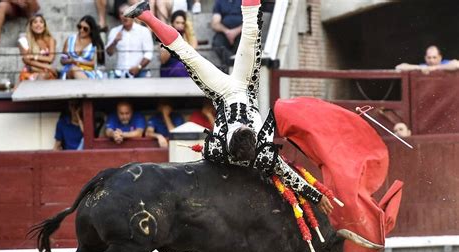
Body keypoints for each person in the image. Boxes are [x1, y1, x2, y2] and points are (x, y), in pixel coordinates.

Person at [124, 0, 333, 214]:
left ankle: (147, 15)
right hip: (243, 86)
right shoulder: (232, 151)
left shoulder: (246, 152)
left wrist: (316, 196)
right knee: (227, 39)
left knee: (192, 52)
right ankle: (146, 15)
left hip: (223, 91)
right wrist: (316, 196)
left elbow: (288, 174)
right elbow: (288, 175)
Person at [106, 3, 154, 78]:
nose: (125, 16)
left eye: (128, 13)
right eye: (122, 13)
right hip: (121, 71)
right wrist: (115, 41)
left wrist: (138, 67)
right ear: (119, 16)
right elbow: (109, 53)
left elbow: (148, 54)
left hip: (140, 70)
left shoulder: (144, 31)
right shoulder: (114, 31)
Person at [60, 15, 105, 80]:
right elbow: (62, 60)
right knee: (74, 69)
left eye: (85, 29)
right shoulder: (70, 39)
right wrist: (69, 61)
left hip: (88, 70)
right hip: (69, 70)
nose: (81, 30)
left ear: (91, 30)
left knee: (76, 70)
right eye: (79, 27)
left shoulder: (95, 43)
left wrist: (76, 62)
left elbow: (94, 63)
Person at [18, 14, 57, 81]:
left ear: (44, 26)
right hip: (31, 71)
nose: (38, 24)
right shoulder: (24, 40)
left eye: (41, 22)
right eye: (35, 22)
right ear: (31, 26)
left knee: (42, 76)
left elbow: (50, 59)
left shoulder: (50, 40)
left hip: (46, 72)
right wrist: (46, 66)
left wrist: (34, 57)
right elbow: (26, 60)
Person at [160, 10, 197, 77]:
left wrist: (189, 28)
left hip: (183, 68)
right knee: (182, 66)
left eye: (183, 23)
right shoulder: (165, 35)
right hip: (169, 69)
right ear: (172, 23)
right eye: (177, 23)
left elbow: (193, 50)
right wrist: (170, 39)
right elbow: (163, 60)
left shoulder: (186, 35)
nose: (180, 25)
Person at [211, 0, 242, 70]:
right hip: (224, 32)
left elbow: (249, 21)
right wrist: (227, 32)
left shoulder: (244, 1)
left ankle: (231, 66)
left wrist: (235, 32)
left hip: (242, 32)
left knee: (243, 46)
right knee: (217, 44)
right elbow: (215, 23)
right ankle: (231, 65)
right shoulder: (219, 2)